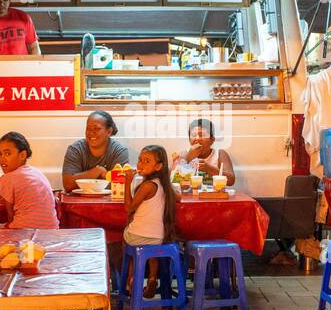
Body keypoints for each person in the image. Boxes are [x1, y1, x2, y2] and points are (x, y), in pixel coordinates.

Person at [123, 145, 177, 298]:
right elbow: (177, 196)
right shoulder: (164, 185)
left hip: (137, 237)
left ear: (158, 166)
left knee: (129, 238)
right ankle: (152, 278)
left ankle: (132, 280)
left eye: (147, 161)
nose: (140, 164)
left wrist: (127, 182)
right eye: (140, 160)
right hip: (158, 238)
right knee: (150, 247)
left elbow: (129, 208)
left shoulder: (147, 185)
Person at [0, 132, 58, 228]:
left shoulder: (8, 178)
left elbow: (10, 217)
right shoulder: (37, 172)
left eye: (7, 153)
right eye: (0, 154)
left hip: (23, 230)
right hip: (52, 230)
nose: (2, 159)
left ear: (22, 155)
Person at [62, 110, 131, 191]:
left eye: (96, 128)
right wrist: (97, 171)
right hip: (80, 201)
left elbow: (119, 186)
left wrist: (83, 182)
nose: (91, 133)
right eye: (88, 129)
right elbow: (68, 185)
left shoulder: (119, 151)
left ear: (109, 131)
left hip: (108, 201)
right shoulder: (75, 150)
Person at [173, 118, 235, 185]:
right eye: (193, 135)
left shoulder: (219, 154)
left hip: (214, 194)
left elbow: (231, 181)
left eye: (202, 135)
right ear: (189, 140)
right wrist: (188, 158)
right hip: (191, 194)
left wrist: (209, 169)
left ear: (212, 140)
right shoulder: (184, 153)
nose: (197, 138)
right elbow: (171, 180)